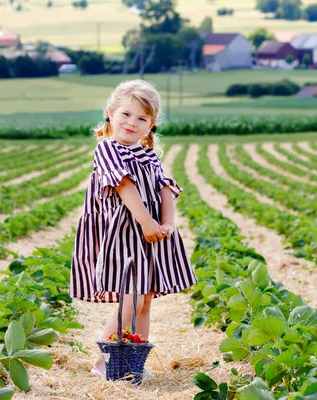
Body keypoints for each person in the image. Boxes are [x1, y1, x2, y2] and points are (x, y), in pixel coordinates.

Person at [69, 79, 197, 378]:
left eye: (142, 119)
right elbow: (125, 188)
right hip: (126, 233)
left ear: (151, 126)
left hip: (149, 235)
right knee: (132, 298)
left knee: (145, 298)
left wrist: (167, 223)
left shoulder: (148, 154)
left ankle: (133, 363)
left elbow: (165, 188)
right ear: (110, 113)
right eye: (126, 114)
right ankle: (105, 363)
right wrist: (147, 222)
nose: (132, 122)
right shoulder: (108, 150)